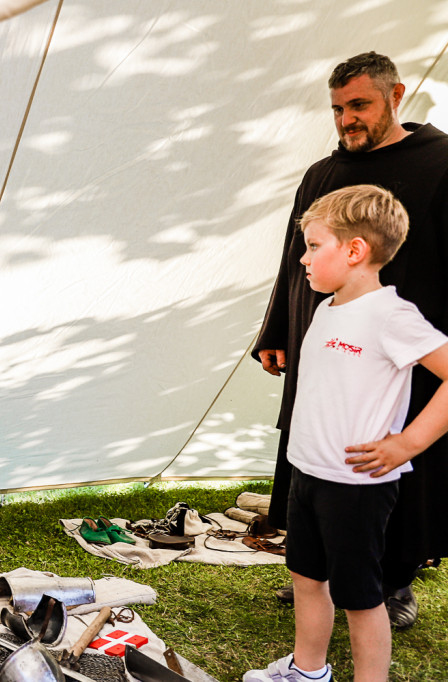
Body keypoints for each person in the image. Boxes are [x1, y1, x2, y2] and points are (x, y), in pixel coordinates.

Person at [253, 51, 448, 627]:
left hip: (405, 352)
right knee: (317, 454)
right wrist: (276, 329)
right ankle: (317, 569)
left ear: (396, 95)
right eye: (338, 109)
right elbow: (295, 260)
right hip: (325, 347)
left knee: (388, 467)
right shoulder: (322, 173)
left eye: (359, 105)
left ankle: (392, 581)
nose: (347, 120)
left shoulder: (442, 164)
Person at [244, 185, 448, 682]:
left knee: (360, 597)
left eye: (314, 246)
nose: (303, 258)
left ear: (355, 250)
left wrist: (408, 443)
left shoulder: (391, 315)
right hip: (307, 474)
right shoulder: (325, 308)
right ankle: (307, 671)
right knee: (307, 577)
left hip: (355, 488)